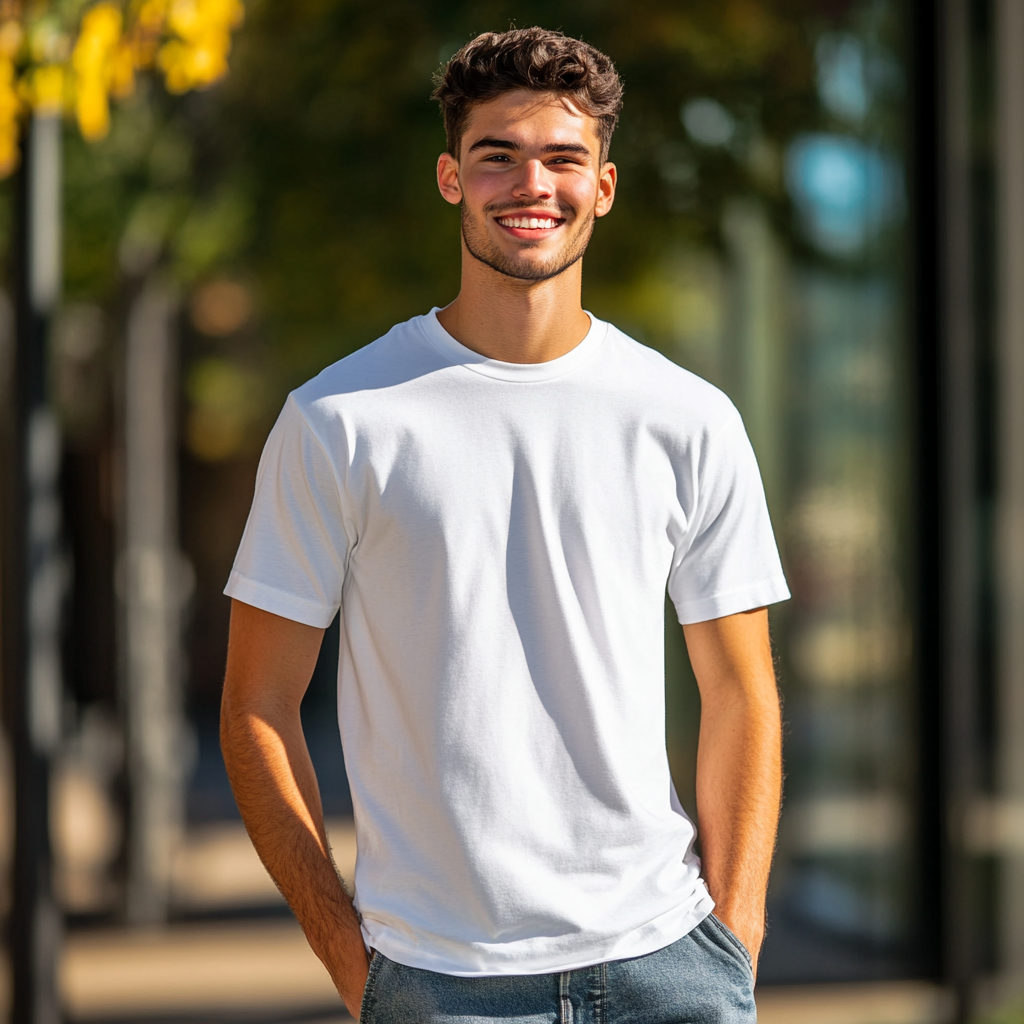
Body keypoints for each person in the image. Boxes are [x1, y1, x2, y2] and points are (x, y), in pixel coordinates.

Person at [220, 26, 789, 1024]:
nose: (533, 184)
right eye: (498, 156)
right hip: (436, 982)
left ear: (602, 187)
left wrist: (733, 936)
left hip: (670, 968)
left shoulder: (686, 418)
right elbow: (256, 708)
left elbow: (741, 691)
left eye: (565, 158)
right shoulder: (341, 420)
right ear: (451, 177)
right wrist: (351, 959)